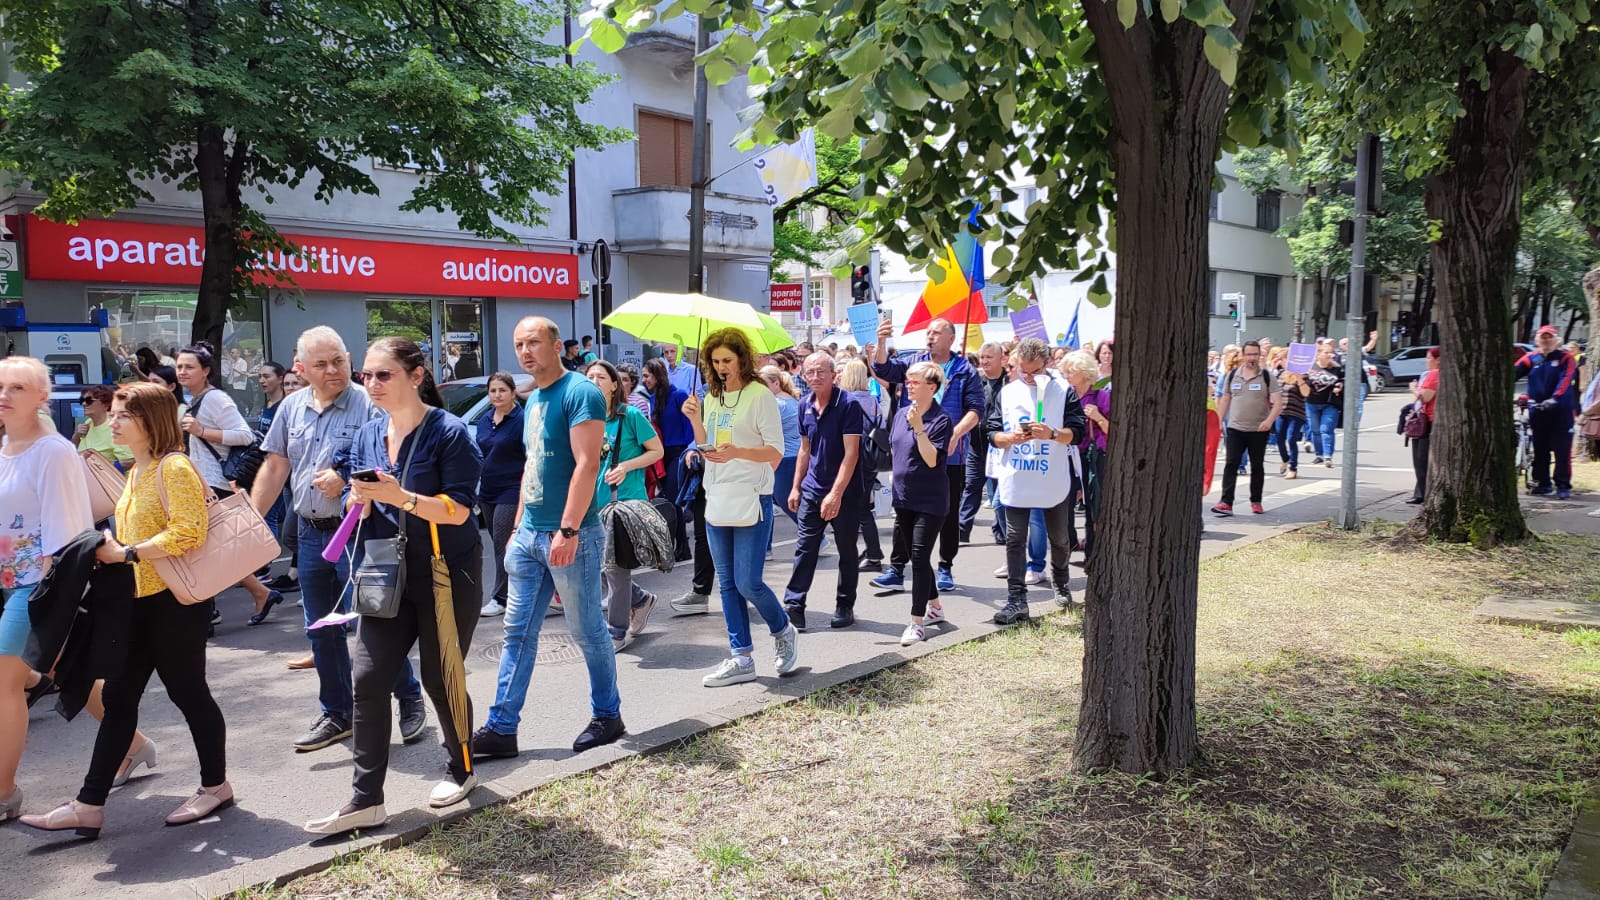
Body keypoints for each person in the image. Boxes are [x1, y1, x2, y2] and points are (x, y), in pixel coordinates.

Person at [22, 382, 230, 837]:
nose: (111, 422)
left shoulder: (173, 467)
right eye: (113, 414)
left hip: (174, 604)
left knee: (188, 693)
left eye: (121, 416)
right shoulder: (139, 469)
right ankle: (88, 804)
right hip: (138, 603)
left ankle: (216, 785)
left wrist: (127, 553)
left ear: (149, 421)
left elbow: (189, 533)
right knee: (118, 699)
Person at [303, 338, 484, 835]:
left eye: (383, 375)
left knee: (440, 677)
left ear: (416, 375)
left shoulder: (449, 433)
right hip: (383, 566)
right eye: (367, 375)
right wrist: (354, 499)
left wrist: (399, 497)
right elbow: (357, 500)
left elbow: (460, 510)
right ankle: (366, 800)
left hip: (446, 571)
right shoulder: (367, 434)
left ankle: (462, 767)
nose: (372, 384)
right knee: (367, 678)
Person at [249, 326, 426, 752]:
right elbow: (275, 467)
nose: (333, 371)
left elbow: (389, 460)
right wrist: (253, 523)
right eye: (321, 364)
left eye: (339, 361)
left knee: (375, 622)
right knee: (321, 628)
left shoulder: (370, 402)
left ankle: (409, 696)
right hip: (311, 534)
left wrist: (345, 477)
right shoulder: (291, 408)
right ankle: (337, 713)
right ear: (301, 368)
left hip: (361, 534)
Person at [474, 317, 626, 758]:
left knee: (587, 631)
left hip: (570, 535)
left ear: (557, 345)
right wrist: (520, 525)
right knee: (517, 633)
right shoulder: (533, 398)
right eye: (519, 343)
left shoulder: (580, 392)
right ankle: (502, 727)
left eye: (534, 342)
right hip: (531, 535)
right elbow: (532, 465)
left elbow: (586, 465)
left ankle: (607, 715)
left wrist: (568, 529)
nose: (525, 351)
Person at [0, 358, 96, 823]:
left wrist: (52, 596)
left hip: (36, 586)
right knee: (68, 669)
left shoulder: (53, 451)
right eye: (0, 386)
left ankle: (4, 792)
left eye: (17, 387)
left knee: (3, 684)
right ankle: (134, 744)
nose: (5, 394)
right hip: (5, 580)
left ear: (43, 396)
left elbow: (68, 531)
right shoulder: (5, 446)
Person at [685, 328, 797, 687]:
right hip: (717, 496)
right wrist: (695, 425)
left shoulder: (758, 395)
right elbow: (709, 445)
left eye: (727, 361)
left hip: (752, 495)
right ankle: (741, 657)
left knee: (749, 582)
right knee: (728, 585)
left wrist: (738, 452)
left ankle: (782, 630)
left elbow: (775, 452)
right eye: (715, 361)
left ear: (742, 360)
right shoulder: (712, 396)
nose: (721, 368)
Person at [870, 317, 984, 594]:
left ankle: (945, 565)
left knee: (947, 511)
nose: (930, 336)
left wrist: (955, 434)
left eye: (936, 332)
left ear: (951, 338)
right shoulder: (914, 362)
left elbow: (976, 409)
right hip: (910, 450)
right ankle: (897, 569)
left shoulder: (964, 370)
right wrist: (882, 341)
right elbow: (882, 367)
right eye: (928, 332)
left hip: (949, 454)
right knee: (904, 509)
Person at [173, 342, 284, 627]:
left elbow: (244, 436)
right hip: (201, 482)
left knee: (203, 549)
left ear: (206, 371)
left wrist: (202, 431)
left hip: (216, 483)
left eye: (189, 367)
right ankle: (257, 594)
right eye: (179, 366)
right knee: (209, 549)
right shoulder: (193, 401)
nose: (182, 371)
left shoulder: (215, 399)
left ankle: (211, 610)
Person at [988, 340, 1085, 624]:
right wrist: (1008, 438)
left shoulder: (1063, 391)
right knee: (1015, 538)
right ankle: (1016, 599)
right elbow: (992, 432)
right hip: (1018, 476)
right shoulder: (1007, 393)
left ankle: (1062, 582)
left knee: (1060, 538)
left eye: (1034, 371)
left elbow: (1077, 432)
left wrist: (1053, 434)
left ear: (1047, 364)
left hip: (1051, 476)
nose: (1028, 377)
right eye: (1022, 371)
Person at [781, 353, 865, 631]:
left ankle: (845, 604)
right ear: (803, 376)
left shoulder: (849, 405)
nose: (815, 377)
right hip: (811, 490)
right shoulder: (804, 404)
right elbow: (805, 450)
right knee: (805, 548)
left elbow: (851, 454)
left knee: (846, 550)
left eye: (820, 372)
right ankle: (794, 606)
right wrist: (795, 487)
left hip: (845, 493)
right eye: (810, 373)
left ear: (833, 375)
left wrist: (836, 493)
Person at [586, 360, 663, 651]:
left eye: (600, 377)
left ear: (614, 384)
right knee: (600, 566)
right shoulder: (584, 420)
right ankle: (641, 599)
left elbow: (657, 451)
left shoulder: (629, 415)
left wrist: (626, 466)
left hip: (624, 502)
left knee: (615, 567)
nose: (593, 381)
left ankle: (616, 632)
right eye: (589, 376)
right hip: (593, 503)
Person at [889, 362, 953, 645]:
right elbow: (894, 449)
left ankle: (917, 622)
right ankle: (935, 606)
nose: (909, 385)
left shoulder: (941, 419)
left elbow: (931, 459)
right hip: (903, 497)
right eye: (908, 381)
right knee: (919, 557)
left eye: (915, 381)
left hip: (931, 500)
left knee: (918, 555)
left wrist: (919, 429)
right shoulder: (901, 413)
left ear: (932, 387)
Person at [475, 373, 526, 617]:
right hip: (487, 489)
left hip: (512, 488)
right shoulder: (485, 419)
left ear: (513, 393)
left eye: (502, 390)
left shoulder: (521, 419)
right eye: (493, 391)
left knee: (502, 545)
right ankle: (527, 590)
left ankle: (501, 597)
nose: (497, 395)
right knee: (502, 544)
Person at [1212, 340, 1282, 516]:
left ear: (1259, 355)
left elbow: (1278, 403)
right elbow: (1225, 399)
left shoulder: (1267, 377)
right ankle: (1226, 502)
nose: (1252, 357)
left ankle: (1256, 501)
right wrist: (1219, 421)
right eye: (1249, 354)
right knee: (1231, 463)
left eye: (1255, 354)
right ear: (1243, 356)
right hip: (1235, 428)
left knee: (1257, 465)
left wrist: (1269, 421)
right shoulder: (1232, 375)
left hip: (1258, 429)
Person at [1515, 325, 1581, 499]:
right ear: (1537, 340)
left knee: (1562, 451)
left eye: (1549, 337)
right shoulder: (1531, 358)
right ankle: (1542, 484)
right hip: (1538, 411)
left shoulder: (1565, 358)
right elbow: (1512, 373)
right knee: (1540, 449)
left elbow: (1565, 381)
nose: (1546, 340)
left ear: (1556, 340)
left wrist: (1555, 399)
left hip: (1561, 413)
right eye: (1542, 338)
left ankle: (1563, 485)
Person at [643, 358, 696, 568]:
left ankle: (681, 546)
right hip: (661, 453)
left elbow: (689, 427)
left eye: (647, 375)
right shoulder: (653, 398)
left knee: (673, 500)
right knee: (668, 501)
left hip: (679, 452)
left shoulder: (679, 395)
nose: (644, 380)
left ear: (657, 375)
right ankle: (678, 546)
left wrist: (691, 452)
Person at [837, 358, 885, 570]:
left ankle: (873, 554)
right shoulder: (873, 400)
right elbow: (881, 425)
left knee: (859, 510)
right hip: (870, 457)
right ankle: (872, 551)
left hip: (851, 457)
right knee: (863, 507)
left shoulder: (845, 400)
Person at [1060, 351, 1108, 561]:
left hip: (1091, 458)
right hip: (1067, 456)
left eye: (1071, 370)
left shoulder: (1101, 396)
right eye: (1065, 370)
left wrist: (1097, 417)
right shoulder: (1065, 395)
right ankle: (1069, 544)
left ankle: (1092, 554)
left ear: (1085, 372)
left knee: (1092, 506)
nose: (1067, 374)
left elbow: (1113, 431)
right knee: (1064, 505)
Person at [959, 343, 1007, 543]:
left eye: (989, 357)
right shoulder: (976, 382)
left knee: (999, 492)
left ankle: (1001, 531)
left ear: (1001, 358)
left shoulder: (1010, 383)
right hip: (976, 447)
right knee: (971, 486)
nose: (985, 361)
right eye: (982, 357)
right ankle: (961, 530)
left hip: (999, 447)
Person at [760, 365, 803, 536]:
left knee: (785, 501)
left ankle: (816, 535)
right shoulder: (790, 399)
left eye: (763, 384)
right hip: (791, 456)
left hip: (783, 458)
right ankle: (766, 547)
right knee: (772, 501)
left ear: (775, 383)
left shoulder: (776, 404)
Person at [1407, 348, 1441, 504]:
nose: (1426, 361)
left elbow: (1425, 398)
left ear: (1437, 359)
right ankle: (1420, 493)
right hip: (1438, 420)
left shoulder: (1433, 375)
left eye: (1428, 358)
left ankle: (1424, 493)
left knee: (1421, 459)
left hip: (1428, 421)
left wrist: (1414, 389)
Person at [1303, 344, 1344, 466]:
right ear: (1318, 354)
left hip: (1329, 403)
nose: (1329, 355)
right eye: (1326, 352)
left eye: (1331, 353)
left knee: (1326, 429)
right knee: (1315, 430)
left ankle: (1328, 456)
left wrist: (1340, 386)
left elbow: (1343, 380)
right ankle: (1319, 455)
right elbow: (1303, 381)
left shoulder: (1337, 368)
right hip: (1312, 403)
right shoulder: (1310, 367)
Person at [74, 384, 133, 469]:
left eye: (89, 400)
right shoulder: (88, 422)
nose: (83, 404)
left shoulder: (115, 426)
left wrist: (97, 468)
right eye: (81, 400)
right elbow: (73, 450)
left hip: (107, 480)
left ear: (106, 404)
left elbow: (130, 461)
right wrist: (76, 436)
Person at [1273, 367, 1310, 480]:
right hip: (1281, 412)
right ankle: (1285, 459)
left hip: (1296, 413)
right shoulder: (1281, 374)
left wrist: (1299, 378)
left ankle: (1293, 468)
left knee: (1291, 439)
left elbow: (1306, 393)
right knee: (1279, 439)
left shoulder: (1304, 375)